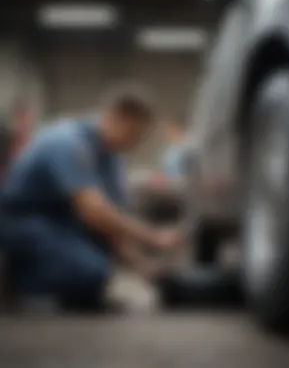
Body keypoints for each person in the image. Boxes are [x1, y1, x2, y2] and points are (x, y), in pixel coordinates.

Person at [0, 83, 182, 314]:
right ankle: (20, 282)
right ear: (116, 118)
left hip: (63, 222)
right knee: (88, 274)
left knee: (98, 269)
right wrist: (153, 237)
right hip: (23, 220)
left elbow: (112, 225)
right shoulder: (67, 141)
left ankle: (64, 281)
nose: (135, 143)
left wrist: (144, 267)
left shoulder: (111, 156)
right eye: (135, 134)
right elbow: (94, 212)